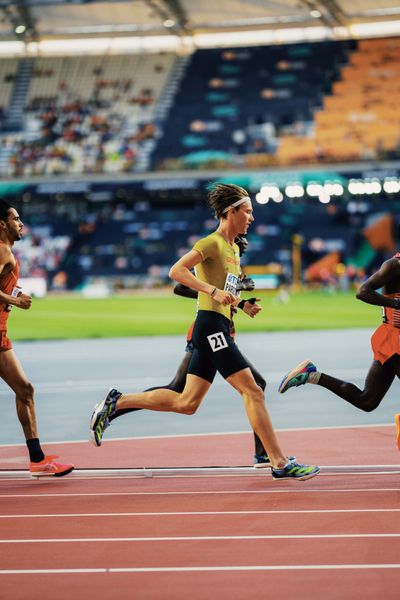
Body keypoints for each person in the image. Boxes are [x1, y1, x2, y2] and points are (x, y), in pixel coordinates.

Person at [90, 183, 320, 480]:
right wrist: (211, 289)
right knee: (252, 389)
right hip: (210, 326)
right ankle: (277, 461)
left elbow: (227, 290)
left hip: (219, 325)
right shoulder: (211, 242)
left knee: (187, 403)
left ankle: (117, 401)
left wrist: (242, 304)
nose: (252, 218)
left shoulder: (234, 248)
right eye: (248, 212)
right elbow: (176, 272)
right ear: (231, 211)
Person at [98, 236, 288, 468]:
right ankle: (265, 455)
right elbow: (181, 286)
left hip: (220, 332)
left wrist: (239, 298)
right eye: (239, 244)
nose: (242, 248)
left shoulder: (232, 266)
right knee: (246, 386)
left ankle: (115, 404)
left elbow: (226, 298)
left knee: (187, 400)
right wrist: (220, 291)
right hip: (204, 334)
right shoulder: (214, 256)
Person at [278, 250, 400, 450]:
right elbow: (363, 291)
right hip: (394, 339)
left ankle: (313, 376)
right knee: (367, 400)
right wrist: (396, 303)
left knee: (367, 400)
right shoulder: (394, 265)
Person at [0, 201, 74, 477]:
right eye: (16, 219)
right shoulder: (3, 251)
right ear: (2, 224)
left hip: (1, 332)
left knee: (25, 390)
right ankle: (38, 459)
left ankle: (38, 458)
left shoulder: (7, 252)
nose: (21, 224)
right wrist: (15, 301)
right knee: (26, 390)